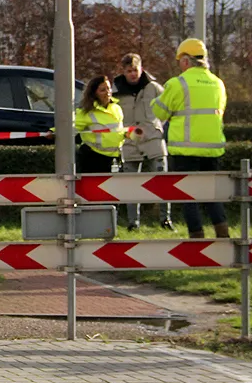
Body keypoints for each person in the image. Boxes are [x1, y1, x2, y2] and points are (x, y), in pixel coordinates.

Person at [153, 38, 228, 238]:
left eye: (180, 60)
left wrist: (155, 99)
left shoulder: (178, 83)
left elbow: (159, 112)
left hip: (185, 150)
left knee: (189, 197)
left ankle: (197, 240)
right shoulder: (218, 83)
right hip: (213, 149)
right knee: (213, 195)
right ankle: (223, 237)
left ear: (186, 61)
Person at [113, 54, 172, 231]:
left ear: (142, 68)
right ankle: (133, 223)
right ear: (123, 71)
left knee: (162, 180)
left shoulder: (153, 87)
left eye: (135, 70)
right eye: (128, 71)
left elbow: (168, 106)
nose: (132, 74)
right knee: (131, 184)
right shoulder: (116, 90)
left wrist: (159, 126)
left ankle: (165, 219)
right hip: (129, 140)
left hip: (153, 138)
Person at [74, 75, 128, 174]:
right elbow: (71, 128)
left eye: (108, 88)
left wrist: (129, 134)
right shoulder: (86, 112)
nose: (108, 92)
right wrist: (53, 132)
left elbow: (118, 131)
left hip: (115, 158)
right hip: (93, 159)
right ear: (94, 94)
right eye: (103, 90)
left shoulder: (116, 108)